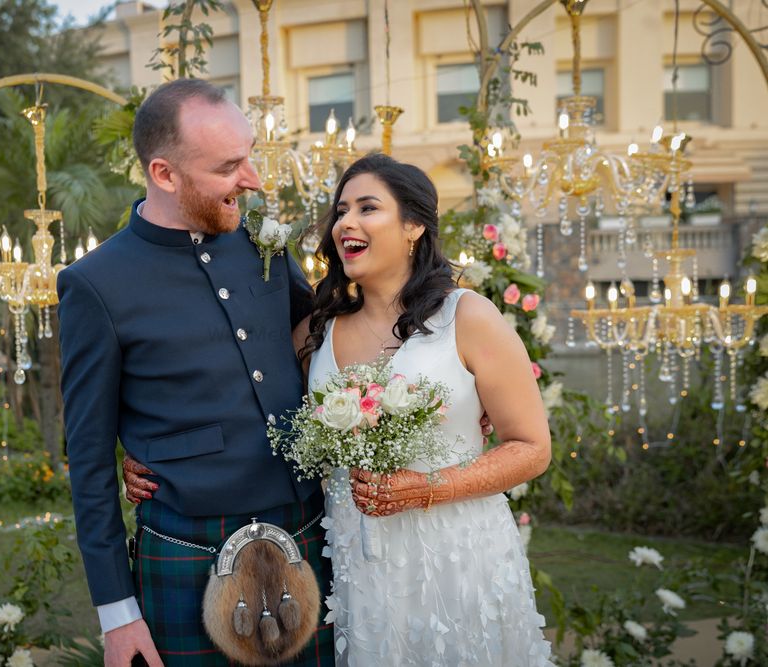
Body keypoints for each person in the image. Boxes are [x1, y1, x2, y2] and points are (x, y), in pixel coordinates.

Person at [127, 153, 554, 665]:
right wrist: (156, 456)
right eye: (342, 210)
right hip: (359, 566)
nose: (346, 222)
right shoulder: (318, 331)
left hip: (457, 557)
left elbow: (532, 448)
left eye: (368, 208)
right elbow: (240, 402)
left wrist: (428, 487)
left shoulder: (468, 317)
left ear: (415, 225)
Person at [56, 78, 334, 667]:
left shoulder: (262, 242)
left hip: (307, 530)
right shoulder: (95, 285)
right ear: (164, 174)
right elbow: (87, 461)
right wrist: (117, 615)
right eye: (230, 165)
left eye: (250, 155)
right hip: (184, 551)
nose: (254, 179)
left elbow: (327, 337)